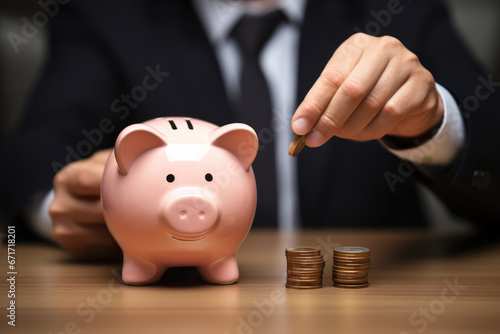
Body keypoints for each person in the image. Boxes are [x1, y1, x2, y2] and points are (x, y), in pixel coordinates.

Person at [0, 0, 499, 260]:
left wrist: (434, 125)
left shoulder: (400, 9)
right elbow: (36, 155)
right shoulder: (107, 14)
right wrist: (62, 208)